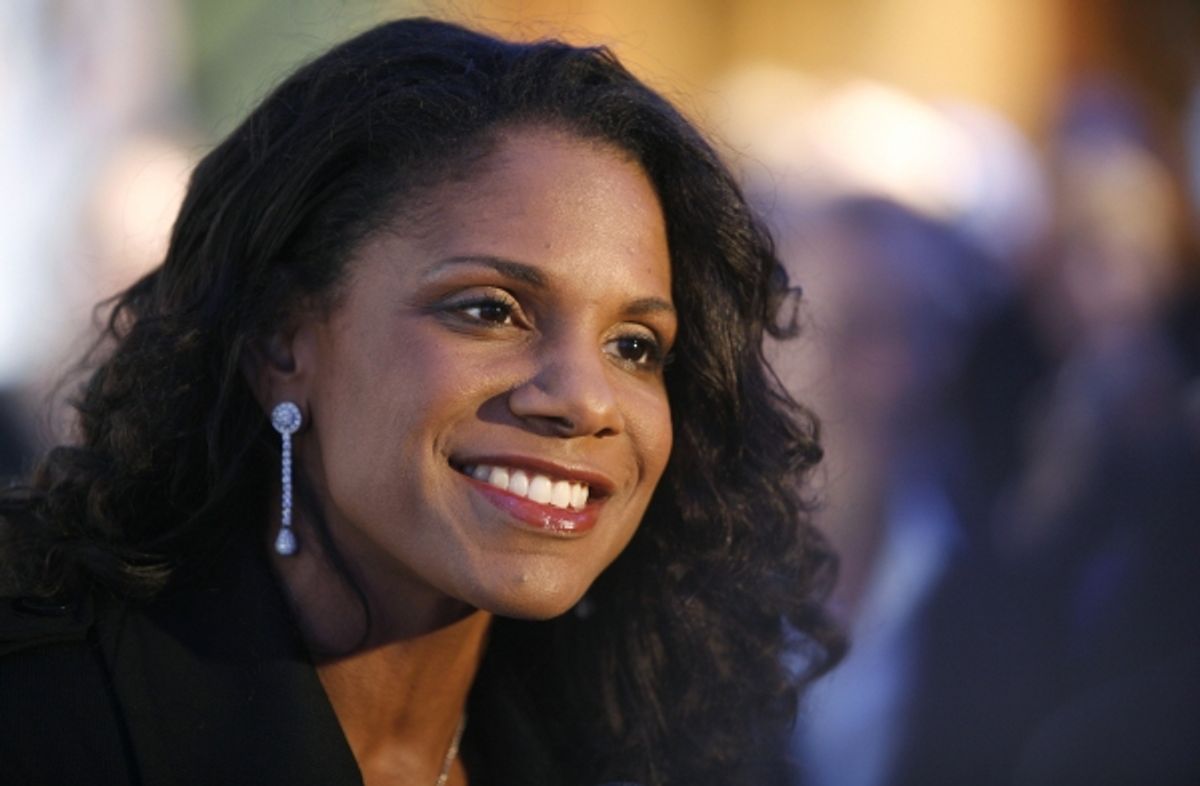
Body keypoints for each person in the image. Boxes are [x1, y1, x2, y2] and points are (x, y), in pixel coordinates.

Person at [0, 18, 841, 786]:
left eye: (634, 346)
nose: (585, 401)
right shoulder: (44, 714)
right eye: (488, 310)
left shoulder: (665, 757)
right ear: (280, 342)